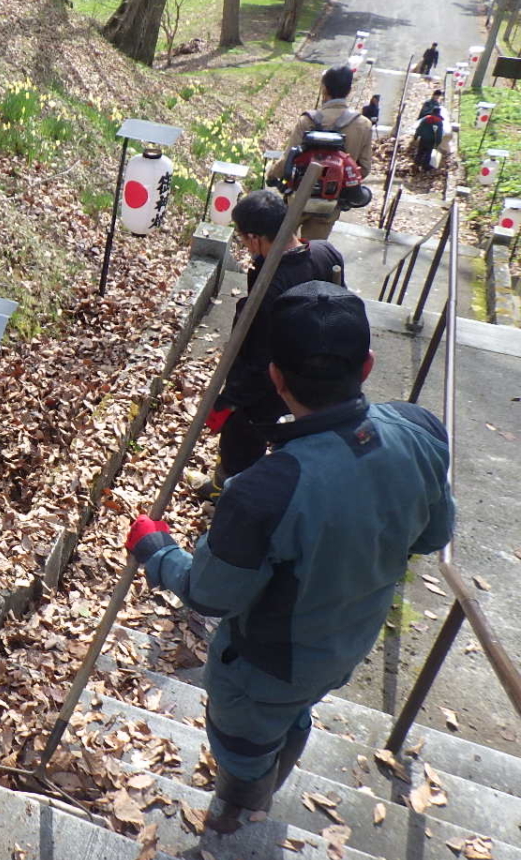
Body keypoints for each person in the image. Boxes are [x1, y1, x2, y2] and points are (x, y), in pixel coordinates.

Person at [127, 283, 454, 820]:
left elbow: (210, 594)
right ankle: (279, 750)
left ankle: (240, 805)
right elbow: (430, 536)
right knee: (295, 709)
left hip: (266, 667)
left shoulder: (263, 492)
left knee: (244, 746)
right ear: (367, 366)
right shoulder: (420, 432)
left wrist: (156, 550)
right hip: (346, 642)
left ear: (275, 377)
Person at [190, 190, 345, 500]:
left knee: (241, 433)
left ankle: (228, 493)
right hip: (319, 364)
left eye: (243, 239)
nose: (245, 247)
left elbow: (260, 359)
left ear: (255, 238)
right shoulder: (326, 253)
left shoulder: (270, 287)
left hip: (279, 378)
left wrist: (229, 400)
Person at [269, 64, 374, 241]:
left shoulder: (308, 121)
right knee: (314, 250)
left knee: (283, 245)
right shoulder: (363, 125)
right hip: (331, 201)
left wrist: (272, 175)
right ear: (348, 91)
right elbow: (363, 168)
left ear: (324, 89)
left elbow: (288, 159)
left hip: (298, 197)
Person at [413, 107, 444, 171]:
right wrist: (437, 143)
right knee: (428, 153)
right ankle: (425, 166)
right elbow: (439, 134)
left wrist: (416, 136)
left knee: (420, 152)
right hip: (431, 141)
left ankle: (416, 164)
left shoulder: (426, 119)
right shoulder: (439, 122)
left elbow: (419, 128)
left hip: (423, 139)